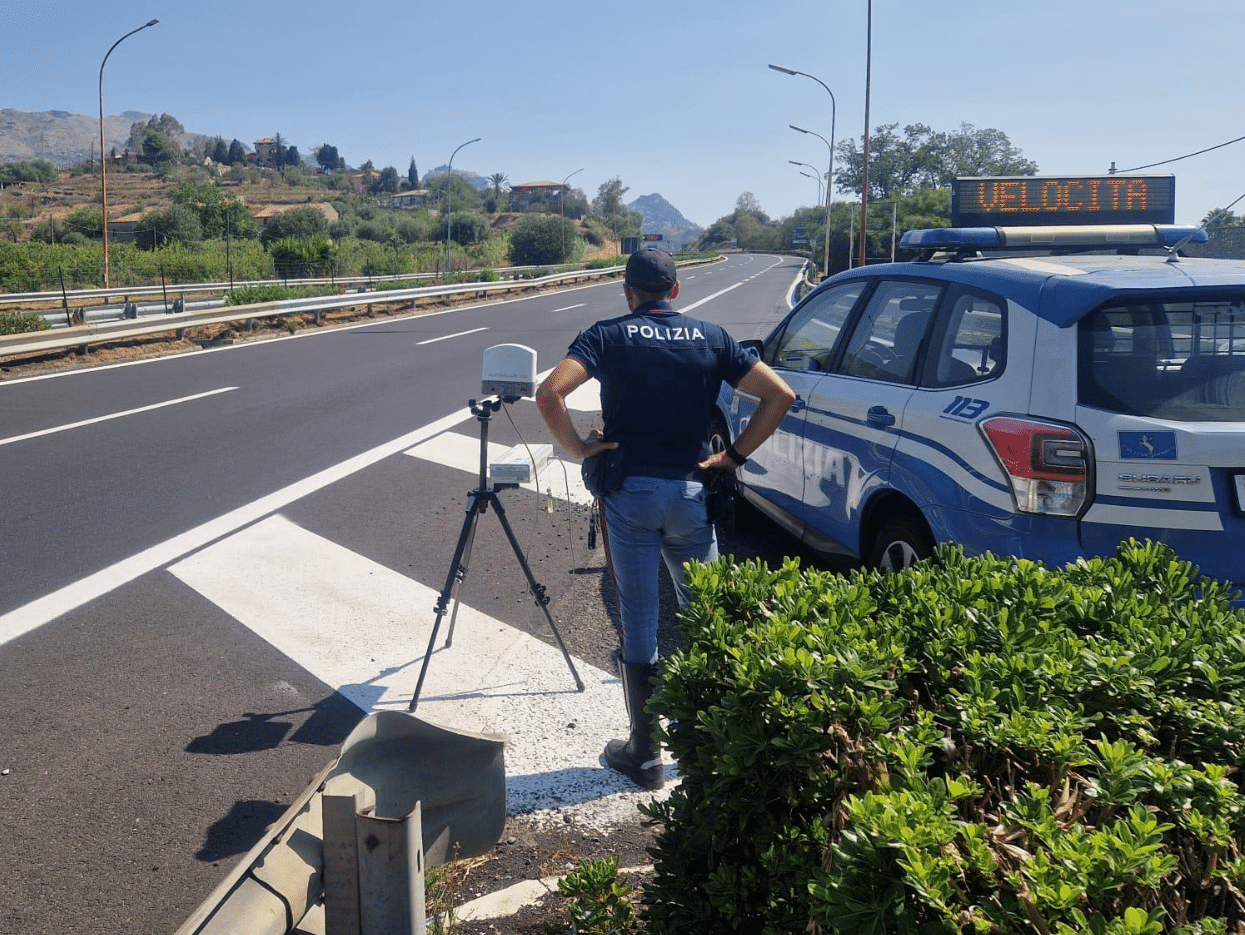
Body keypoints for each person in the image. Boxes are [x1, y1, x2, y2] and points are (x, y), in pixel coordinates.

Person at [536, 248, 796, 789]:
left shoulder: (606, 336)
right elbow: (780, 395)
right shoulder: (713, 337)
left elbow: (550, 392)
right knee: (706, 614)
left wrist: (579, 448)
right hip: (692, 492)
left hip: (630, 494)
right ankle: (713, 745)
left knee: (639, 619)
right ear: (675, 290)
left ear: (628, 292)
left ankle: (645, 754)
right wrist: (733, 457)